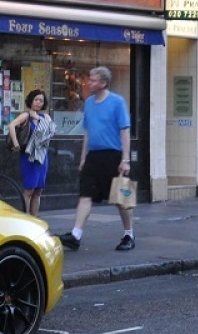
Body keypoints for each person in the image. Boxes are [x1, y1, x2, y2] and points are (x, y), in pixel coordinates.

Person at [59, 66, 134, 252]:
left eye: (92, 80)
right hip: (93, 156)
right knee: (85, 195)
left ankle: (129, 234)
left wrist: (125, 159)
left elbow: (125, 131)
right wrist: (83, 158)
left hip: (113, 155)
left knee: (121, 197)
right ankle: (76, 235)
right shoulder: (90, 103)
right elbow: (87, 132)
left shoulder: (117, 102)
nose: (88, 83)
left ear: (102, 83)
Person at [7, 89, 56, 216]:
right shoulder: (26, 116)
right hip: (29, 157)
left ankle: (34, 218)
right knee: (29, 190)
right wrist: (16, 143)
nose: (39, 103)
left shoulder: (45, 117)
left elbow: (52, 132)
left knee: (38, 190)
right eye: (36, 100)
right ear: (31, 101)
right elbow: (11, 125)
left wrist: (39, 120)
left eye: (41, 100)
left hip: (42, 157)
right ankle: (25, 217)